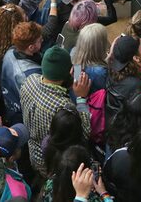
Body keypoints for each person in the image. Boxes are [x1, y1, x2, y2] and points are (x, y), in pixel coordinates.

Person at [20, 45, 91, 175]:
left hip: (33, 152)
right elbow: (85, 133)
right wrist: (81, 98)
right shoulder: (64, 106)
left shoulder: (29, 81)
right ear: (68, 73)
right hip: (53, 164)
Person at [0, 21, 42, 124]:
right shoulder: (30, 75)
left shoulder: (11, 51)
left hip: (8, 102)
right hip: (20, 116)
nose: (42, 40)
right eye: (40, 41)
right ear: (31, 47)